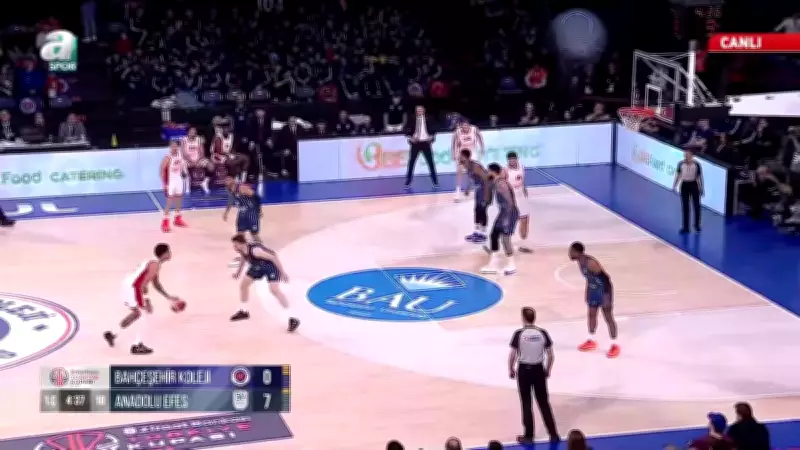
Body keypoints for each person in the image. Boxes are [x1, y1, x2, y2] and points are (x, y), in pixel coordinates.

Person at [103, 243, 182, 355]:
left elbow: (156, 284)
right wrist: (147, 301)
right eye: (168, 251)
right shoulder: (155, 265)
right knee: (145, 314)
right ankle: (137, 345)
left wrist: (168, 296)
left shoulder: (153, 263)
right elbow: (143, 284)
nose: (170, 253)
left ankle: (112, 334)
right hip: (134, 287)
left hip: (127, 284)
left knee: (136, 313)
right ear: (164, 254)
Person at [509, 307, 559, 445]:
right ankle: (553, 434)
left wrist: (511, 369)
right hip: (538, 369)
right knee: (544, 403)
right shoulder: (542, 333)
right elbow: (551, 355)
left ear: (523, 318)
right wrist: (548, 369)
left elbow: (512, 354)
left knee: (526, 403)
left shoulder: (519, 334)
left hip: (524, 370)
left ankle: (529, 436)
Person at [229, 234, 299, 332]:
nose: (234, 247)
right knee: (244, 285)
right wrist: (238, 273)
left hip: (270, 266)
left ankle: (292, 318)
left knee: (274, 290)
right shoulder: (243, 250)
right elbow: (243, 259)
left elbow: (273, 257)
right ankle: (244, 311)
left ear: (241, 244)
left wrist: (282, 273)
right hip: (257, 266)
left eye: (235, 245)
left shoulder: (256, 251)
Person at [568, 242, 620, 358]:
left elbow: (606, 278)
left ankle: (615, 345)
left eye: (571, 251)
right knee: (591, 315)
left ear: (577, 252)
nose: (569, 254)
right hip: (593, 290)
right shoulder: (580, 261)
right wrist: (588, 290)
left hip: (603, 291)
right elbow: (590, 278)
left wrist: (606, 296)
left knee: (608, 317)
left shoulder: (590, 263)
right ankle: (591, 340)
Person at [481, 163, 519, 275]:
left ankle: (512, 265)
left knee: (505, 239)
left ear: (493, 172)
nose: (487, 173)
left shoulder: (501, 184)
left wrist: (506, 219)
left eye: (488, 171)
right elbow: (488, 198)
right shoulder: (496, 182)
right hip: (503, 212)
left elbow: (510, 202)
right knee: (494, 235)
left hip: (509, 213)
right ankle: (493, 263)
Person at [459, 149, 492, 243]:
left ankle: (483, 234)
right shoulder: (466, 165)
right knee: (477, 210)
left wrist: (486, 196)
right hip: (479, 190)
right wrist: (468, 188)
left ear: (467, 157)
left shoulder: (476, 166)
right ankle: (477, 232)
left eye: (461, 156)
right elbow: (472, 178)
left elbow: (486, 180)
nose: (460, 158)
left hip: (486, 188)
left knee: (482, 210)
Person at [403, 105, 439, 190]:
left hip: (425, 143)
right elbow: (405, 129)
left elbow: (435, 128)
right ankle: (408, 180)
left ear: (424, 110)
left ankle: (435, 181)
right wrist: (410, 138)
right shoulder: (411, 119)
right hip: (415, 143)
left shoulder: (429, 118)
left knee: (430, 162)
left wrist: (432, 136)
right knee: (411, 162)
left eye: (420, 110)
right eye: (417, 110)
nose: (419, 112)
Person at [451, 118, 484, 202]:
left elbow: (480, 138)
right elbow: (454, 143)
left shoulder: (474, 129)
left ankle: (471, 187)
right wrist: (454, 153)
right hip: (462, 152)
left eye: (466, 126)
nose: (465, 128)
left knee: (474, 172)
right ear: (461, 126)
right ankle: (457, 192)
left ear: (469, 125)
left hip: (472, 151)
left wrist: (482, 148)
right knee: (459, 170)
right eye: (463, 126)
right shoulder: (457, 132)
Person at [506, 152, 532, 253]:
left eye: (514, 159)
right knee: (509, 223)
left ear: (517, 159)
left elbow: (522, 181)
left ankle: (523, 244)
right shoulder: (505, 171)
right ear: (508, 160)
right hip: (511, 198)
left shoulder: (521, 167)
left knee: (525, 220)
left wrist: (525, 191)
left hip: (521, 197)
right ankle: (504, 243)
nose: (512, 161)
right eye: (510, 160)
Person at [672, 150, 704, 234]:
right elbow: (678, 175)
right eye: (685, 155)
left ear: (692, 156)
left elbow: (699, 177)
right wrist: (674, 185)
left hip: (694, 185)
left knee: (696, 206)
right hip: (684, 185)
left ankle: (697, 225)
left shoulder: (696, 164)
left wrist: (701, 188)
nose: (687, 157)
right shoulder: (680, 164)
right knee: (685, 206)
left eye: (688, 155)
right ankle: (686, 227)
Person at [160, 141, 188, 233]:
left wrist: (184, 172)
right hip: (170, 182)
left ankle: (177, 219)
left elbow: (182, 165)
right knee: (169, 201)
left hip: (179, 180)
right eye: (173, 146)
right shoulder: (167, 158)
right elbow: (161, 171)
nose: (175, 148)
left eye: (176, 146)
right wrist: (164, 184)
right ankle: (165, 222)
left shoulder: (180, 155)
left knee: (179, 199)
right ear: (170, 148)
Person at [223, 177, 262, 243]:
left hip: (251, 213)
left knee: (254, 234)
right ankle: (244, 247)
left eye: (228, 179)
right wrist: (226, 213)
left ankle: (260, 246)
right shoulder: (230, 191)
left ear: (233, 180)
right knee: (240, 235)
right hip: (242, 213)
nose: (226, 181)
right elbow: (230, 202)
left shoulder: (242, 188)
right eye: (225, 180)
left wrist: (259, 210)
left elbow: (256, 197)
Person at [181, 126, 213, 194]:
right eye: (191, 131)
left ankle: (204, 183)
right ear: (188, 132)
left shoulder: (199, 139)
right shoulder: (184, 140)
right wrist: (191, 161)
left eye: (194, 131)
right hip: (188, 160)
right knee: (183, 166)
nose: (193, 133)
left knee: (211, 166)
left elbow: (202, 153)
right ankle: (187, 186)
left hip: (199, 159)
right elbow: (184, 154)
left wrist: (197, 161)